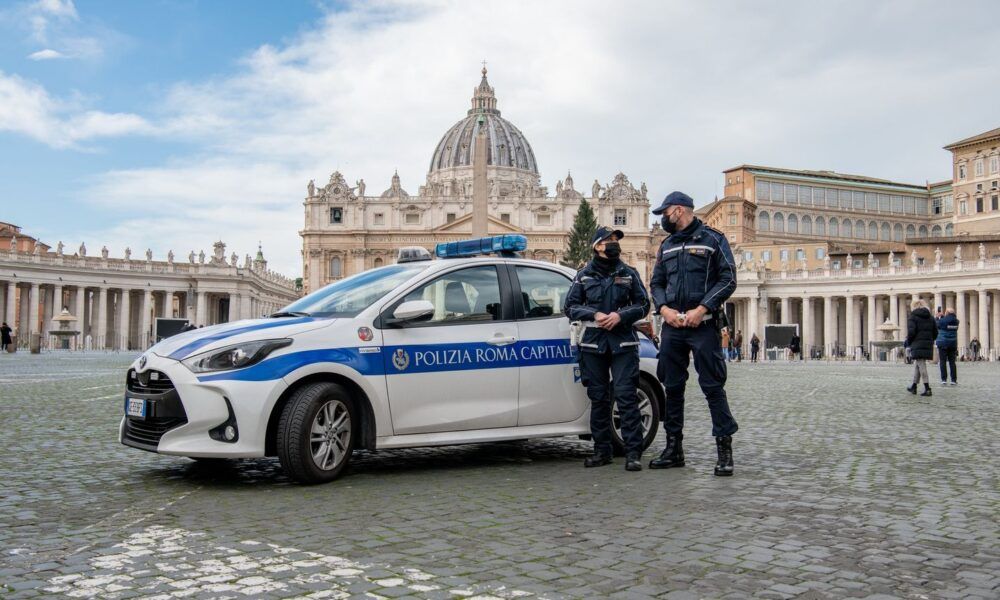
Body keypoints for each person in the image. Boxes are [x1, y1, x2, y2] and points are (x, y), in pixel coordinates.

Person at [648, 191, 739, 476]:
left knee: (713, 388)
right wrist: (663, 309)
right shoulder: (666, 246)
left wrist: (703, 308)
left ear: (678, 211)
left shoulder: (714, 240)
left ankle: (724, 452)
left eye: (665, 213)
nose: (664, 218)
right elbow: (657, 283)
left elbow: (728, 279)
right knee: (672, 388)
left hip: (704, 324)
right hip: (674, 325)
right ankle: (674, 449)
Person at [564, 225, 650, 472]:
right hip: (593, 343)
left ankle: (633, 453)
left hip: (623, 342)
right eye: (609, 240)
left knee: (626, 397)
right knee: (599, 398)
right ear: (597, 246)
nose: (614, 243)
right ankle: (602, 451)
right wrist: (596, 314)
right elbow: (570, 307)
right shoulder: (583, 275)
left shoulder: (629, 273)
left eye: (615, 239)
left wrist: (620, 316)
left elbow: (643, 304)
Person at [905, 298, 937, 397]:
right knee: (918, 365)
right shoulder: (930, 317)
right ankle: (914, 386)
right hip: (927, 343)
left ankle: (927, 388)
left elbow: (911, 332)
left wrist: (909, 342)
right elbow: (936, 332)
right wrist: (930, 340)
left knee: (922, 366)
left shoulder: (913, 317)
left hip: (917, 343)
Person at [936, 308, 959, 385]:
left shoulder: (942, 321)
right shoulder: (956, 321)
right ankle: (953, 380)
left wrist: (937, 317)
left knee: (942, 362)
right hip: (952, 343)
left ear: (946, 313)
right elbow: (947, 325)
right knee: (952, 362)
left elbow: (937, 325)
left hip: (943, 343)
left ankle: (944, 379)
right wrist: (943, 317)